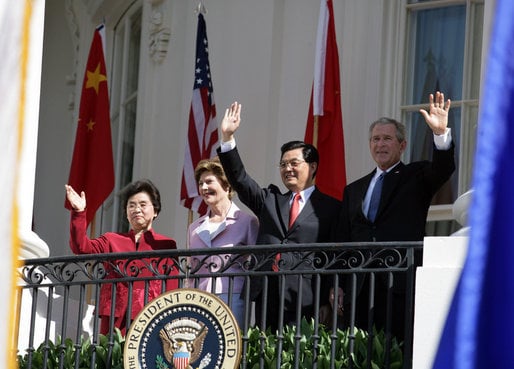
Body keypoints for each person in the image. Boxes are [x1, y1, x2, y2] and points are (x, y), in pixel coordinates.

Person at [332, 91, 455, 339]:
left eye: (387, 138)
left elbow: (443, 169)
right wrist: (338, 284)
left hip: (399, 282)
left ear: (402, 145)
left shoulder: (416, 176)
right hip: (360, 287)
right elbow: (342, 239)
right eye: (376, 139)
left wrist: (440, 134)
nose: (380, 144)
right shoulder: (354, 189)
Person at [217, 101, 341, 332]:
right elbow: (241, 181)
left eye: (294, 163)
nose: (287, 169)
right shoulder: (270, 201)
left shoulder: (332, 208)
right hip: (268, 291)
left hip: (308, 296)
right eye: (283, 164)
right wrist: (227, 139)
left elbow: (335, 256)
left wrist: (327, 298)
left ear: (312, 166)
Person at [65, 179, 179, 335]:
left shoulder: (166, 245)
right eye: (131, 205)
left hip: (151, 320)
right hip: (115, 320)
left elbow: (172, 288)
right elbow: (81, 247)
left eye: (143, 205)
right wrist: (79, 212)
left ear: (156, 211)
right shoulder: (112, 240)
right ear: (126, 213)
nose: (137, 209)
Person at [187, 157, 259, 327]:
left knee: (230, 350)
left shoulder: (247, 222)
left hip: (233, 297)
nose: (203, 187)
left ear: (226, 185)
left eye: (209, 181)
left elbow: (258, 264)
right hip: (200, 298)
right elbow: (191, 269)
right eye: (200, 183)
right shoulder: (194, 228)